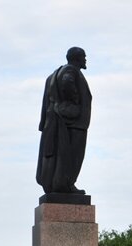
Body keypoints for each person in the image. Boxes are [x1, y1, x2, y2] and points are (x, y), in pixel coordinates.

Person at [36, 47, 92, 194]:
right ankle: (66, 184)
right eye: (83, 57)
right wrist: (74, 105)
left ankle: (59, 184)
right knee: (72, 156)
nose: (85, 60)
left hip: (56, 121)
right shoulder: (71, 71)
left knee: (58, 154)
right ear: (77, 58)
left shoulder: (52, 75)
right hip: (72, 122)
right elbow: (68, 82)